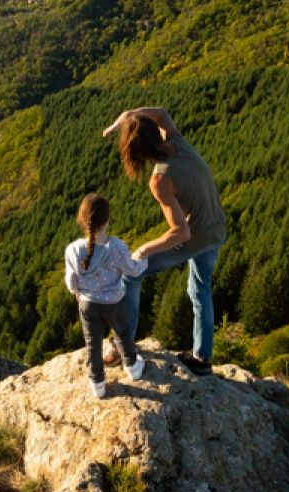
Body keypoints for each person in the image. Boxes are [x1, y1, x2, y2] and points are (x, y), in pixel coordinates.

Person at [103, 106, 227, 375]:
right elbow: (160, 112)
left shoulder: (160, 179)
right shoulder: (177, 143)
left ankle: (122, 345)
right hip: (216, 228)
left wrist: (144, 250)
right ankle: (202, 359)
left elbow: (181, 232)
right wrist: (128, 116)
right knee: (200, 290)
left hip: (195, 235)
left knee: (131, 274)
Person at [63, 193, 148, 399]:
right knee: (122, 334)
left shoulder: (73, 249)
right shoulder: (116, 247)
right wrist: (143, 258)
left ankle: (97, 383)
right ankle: (133, 367)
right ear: (108, 220)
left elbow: (72, 281)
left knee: (93, 343)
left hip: (87, 304)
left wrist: (77, 293)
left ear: (82, 219)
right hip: (113, 302)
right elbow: (133, 270)